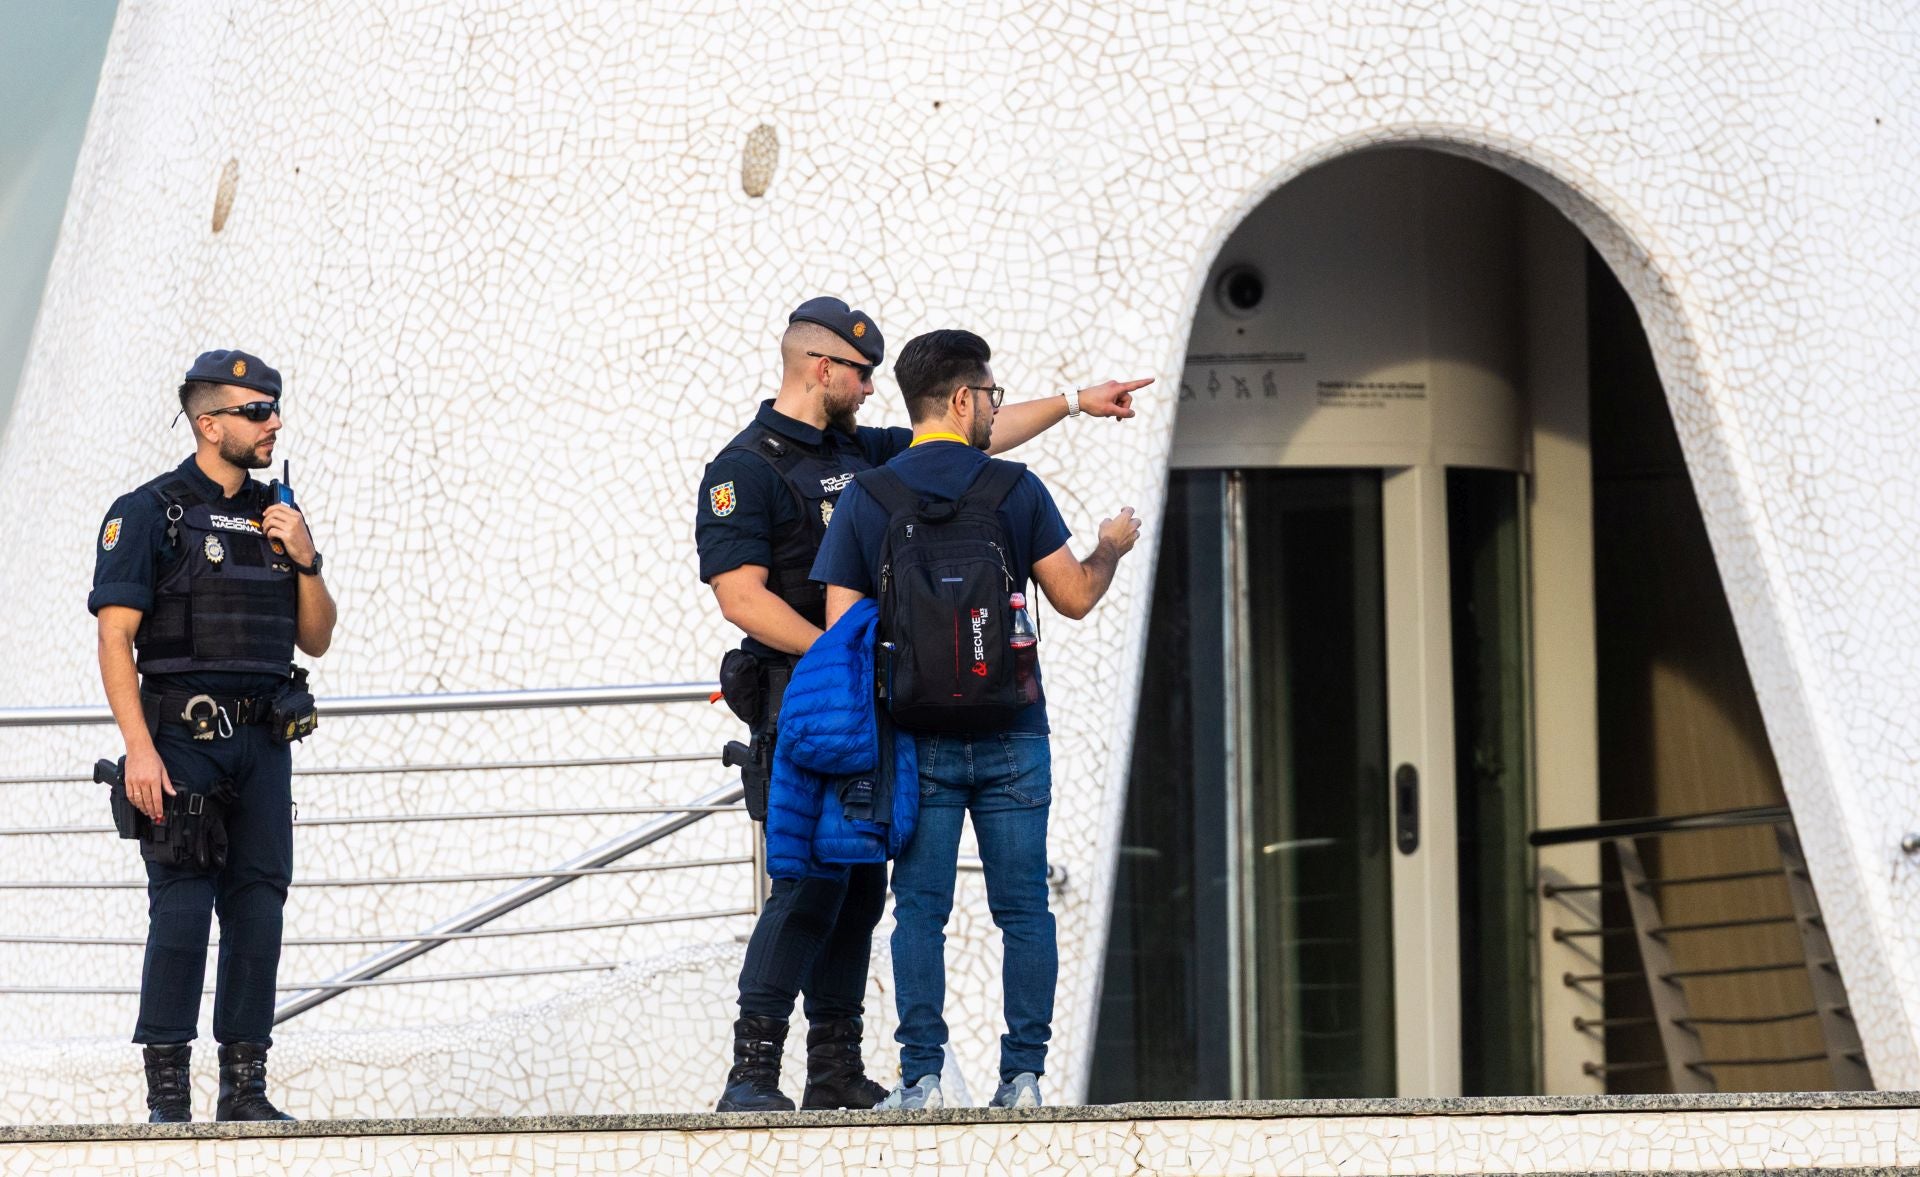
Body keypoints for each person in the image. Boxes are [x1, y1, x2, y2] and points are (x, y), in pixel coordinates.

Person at [697, 299, 1146, 1111]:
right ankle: (753, 1072)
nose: (873, 388)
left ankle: (835, 1067)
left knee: (867, 887)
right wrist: (844, 655)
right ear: (821, 366)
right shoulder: (746, 468)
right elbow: (741, 598)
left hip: (880, 710)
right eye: (862, 373)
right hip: (806, 705)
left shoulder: (863, 461)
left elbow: (966, 445)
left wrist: (1076, 401)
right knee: (804, 882)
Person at [89, 350, 336, 1122]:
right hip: (182, 740)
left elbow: (318, 636)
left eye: (275, 409)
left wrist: (307, 557)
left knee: (260, 908)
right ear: (209, 422)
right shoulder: (149, 511)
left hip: (264, 741)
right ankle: (168, 1097)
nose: (274, 423)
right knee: (184, 908)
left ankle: (245, 1090)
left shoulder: (278, 516)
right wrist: (138, 747)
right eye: (256, 411)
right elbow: (114, 638)